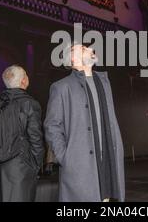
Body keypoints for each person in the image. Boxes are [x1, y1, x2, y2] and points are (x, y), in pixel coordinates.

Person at [44, 44, 125, 202]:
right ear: (73, 58)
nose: (90, 48)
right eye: (83, 48)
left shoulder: (104, 83)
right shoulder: (61, 87)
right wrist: (66, 157)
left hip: (107, 160)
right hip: (80, 165)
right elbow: (52, 125)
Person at [0, 65, 45, 202]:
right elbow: (35, 138)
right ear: (24, 81)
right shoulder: (30, 104)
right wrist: (35, 166)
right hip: (19, 169)